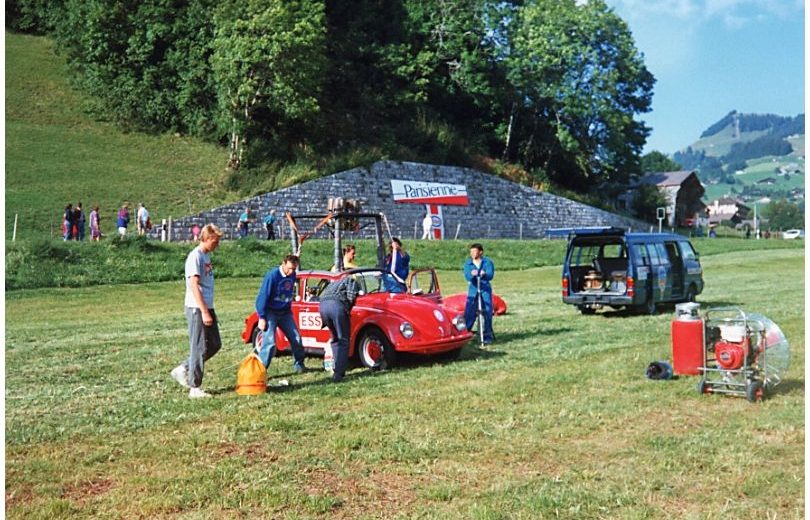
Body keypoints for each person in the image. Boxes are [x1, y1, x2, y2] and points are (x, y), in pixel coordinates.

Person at [171, 224, 224, 398]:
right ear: (206, 238)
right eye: (215, 241)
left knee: (215, 344)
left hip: (207, 305)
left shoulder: (206, 256)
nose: (217, 245)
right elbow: (194, 285)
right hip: (196, 307)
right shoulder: (195, 256)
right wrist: (204, 311)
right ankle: (194, 387)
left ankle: (183, 368)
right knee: (199, 346)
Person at [254, 254, 307, 372]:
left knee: (296, 338)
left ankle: (299, 364)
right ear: (283, 264)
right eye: (289, 268)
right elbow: (262, 297)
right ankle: (261, 370)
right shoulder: (272, 276)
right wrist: (262, 317)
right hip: (270, 312)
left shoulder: (292, 274)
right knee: (270, 342)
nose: (291, 272)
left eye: (294, 269)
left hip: (285, 313)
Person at [318, 275, 362, 382]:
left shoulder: (333, 283)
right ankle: (339, 372)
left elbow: (321, 296)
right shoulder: (351, 281)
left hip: (323, 307)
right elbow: (351, 296)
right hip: (336, 307)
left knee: (335, 338)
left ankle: (336, 365)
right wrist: (348, 309)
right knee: (343, 340)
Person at [463, 243, 495, 345]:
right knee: (469, 312)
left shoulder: (487, 262)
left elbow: (490, 275)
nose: (472, 253)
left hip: (485, 289)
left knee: (488, 311)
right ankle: (465, 333)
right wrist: (472, 275)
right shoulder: (468, 264)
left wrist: (484, 274)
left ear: (480, 252)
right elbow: (467, 276)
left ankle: (487, 335)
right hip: (473, 290)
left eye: (474, 251)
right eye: (471, 252)